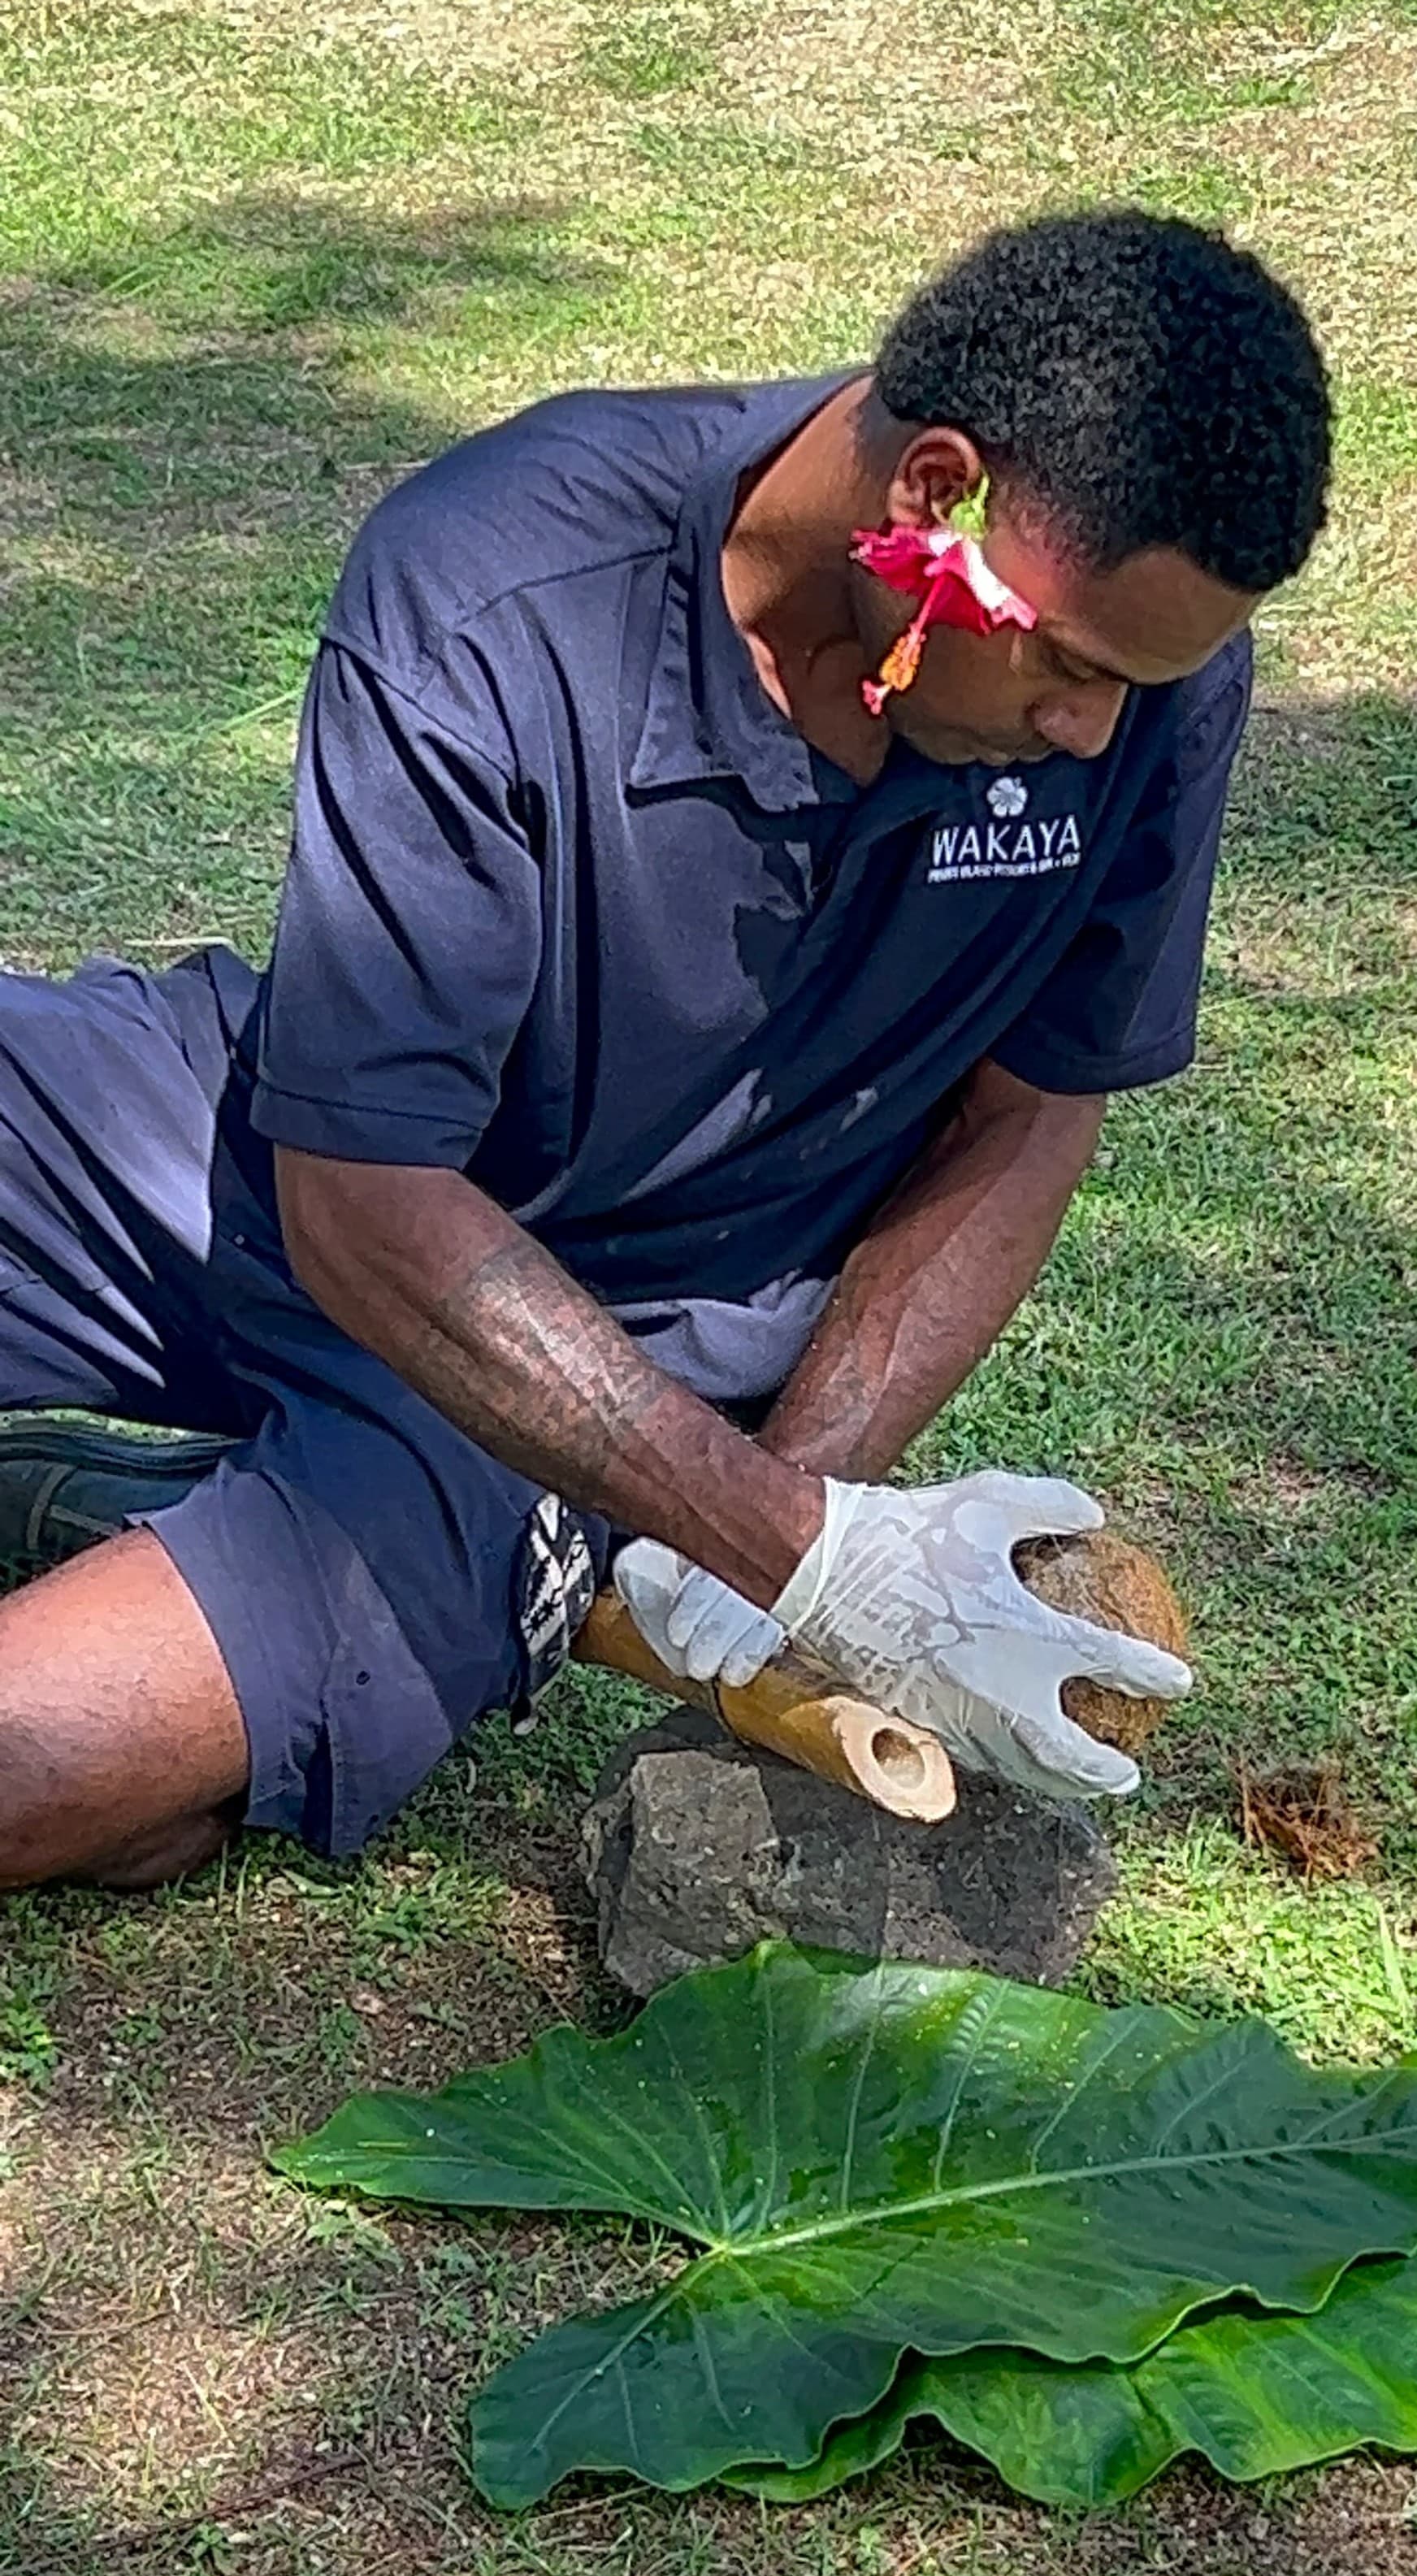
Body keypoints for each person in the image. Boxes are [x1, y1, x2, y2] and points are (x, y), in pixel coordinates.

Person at [0, 209, 1330, 1892]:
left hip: (572, 1400)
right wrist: (806, 1553)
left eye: (1137, 681)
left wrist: (767, 1524)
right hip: (308, 1163)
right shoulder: (499, 588)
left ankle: (167, 1644)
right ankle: (132, 1554)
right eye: (1069, 666)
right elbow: (361, 1192)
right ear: (934, 497)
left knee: (32, 1760)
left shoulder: (1149, 695)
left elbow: (1026, 1117)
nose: (1092, 729)